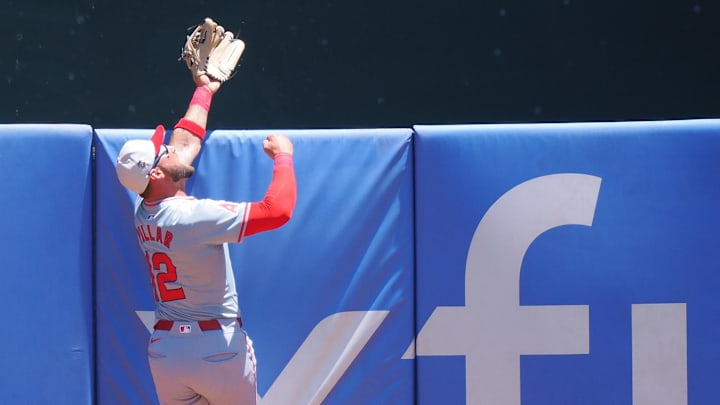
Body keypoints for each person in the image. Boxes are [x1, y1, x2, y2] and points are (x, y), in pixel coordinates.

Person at [115, 72, 297, 405]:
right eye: (163, 151)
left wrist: (204, 90)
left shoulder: (144, 207)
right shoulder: (194, 216)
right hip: (217, 351)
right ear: (156, 172)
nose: (170, 146)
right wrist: (284, 157)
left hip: (168, 354)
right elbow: (277, 211)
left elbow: (186, 141)